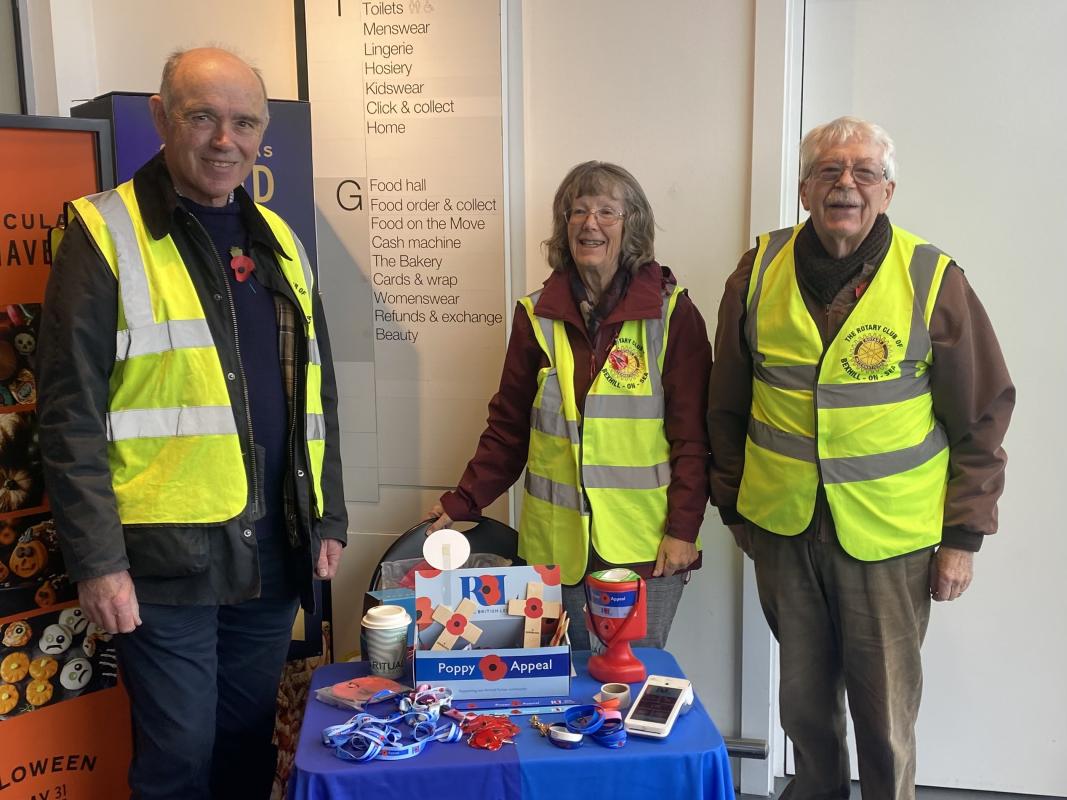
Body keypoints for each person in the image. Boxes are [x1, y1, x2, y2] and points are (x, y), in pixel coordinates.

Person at [37, 47, 347, 799]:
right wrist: (98, 562)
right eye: (201, 116)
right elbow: (69, 412)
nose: (223, 140)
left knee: (246, 744)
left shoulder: (278, 238)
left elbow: (317, 390)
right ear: (160, 118)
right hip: (162, 558)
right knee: (178, 754)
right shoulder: (102, 232)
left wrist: (327, 512)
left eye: (243, 122)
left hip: (273, 546)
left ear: (262, 131)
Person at [708, 116, 1014, 799]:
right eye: (829, 170)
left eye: (863, 172)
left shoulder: (931, 277)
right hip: (784, 532)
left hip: (889, 541)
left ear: (887, 190)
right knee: (804, 711)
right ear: (803, 188)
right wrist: (732, 504)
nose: (845, 184)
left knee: (883, 719)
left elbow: (981, 416)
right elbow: (723, 402)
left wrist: (961, 537)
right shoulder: (755, 271)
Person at [428, 161, 712, 649]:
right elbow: (508, 428)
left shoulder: (672, 313)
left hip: (647, 548)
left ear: (633, 225)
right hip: (556, 551)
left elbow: (694, 438)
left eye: (607, 211)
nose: (590, 223)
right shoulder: (535, 315)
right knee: (564, 688)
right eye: (578, 211)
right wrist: (463, 500)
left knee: (633, 682)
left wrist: (684, 529)